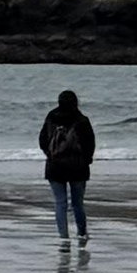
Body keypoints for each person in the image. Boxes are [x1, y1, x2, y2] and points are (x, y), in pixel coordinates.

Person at [39, 87, 95, 249]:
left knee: (60, 203)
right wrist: (87, 160)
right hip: (78, 167)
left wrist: (50, 154)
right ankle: (82, 233)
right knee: (78, 203)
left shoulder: (51, 118)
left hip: (55, 166)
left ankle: (63, 236)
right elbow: (89, 144)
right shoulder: (82, 120)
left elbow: (43, 140)